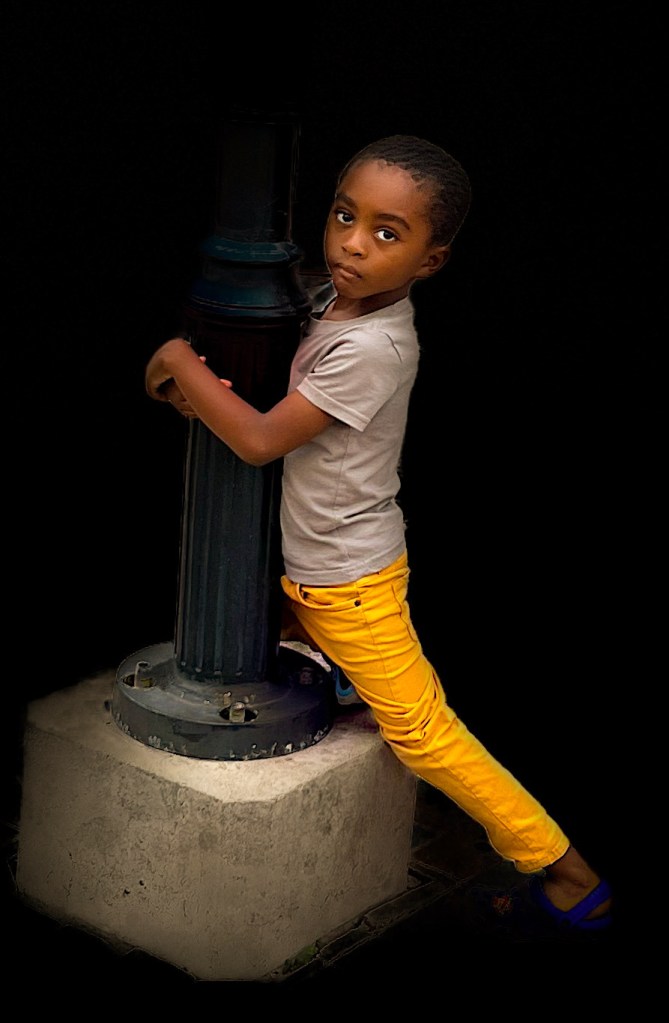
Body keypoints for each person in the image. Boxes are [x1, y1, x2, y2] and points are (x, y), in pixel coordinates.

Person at [145, 134, 612, 935]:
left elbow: (257, 439)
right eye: (343, 216)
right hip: (313, 570)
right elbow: (246, 391)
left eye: (386, 232)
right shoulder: (327, 299)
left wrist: (174, 360)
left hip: (348, 586)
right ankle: (340, 676)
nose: (353, 243)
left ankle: (568, 872)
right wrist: (188, 385)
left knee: (423, 734)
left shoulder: (374, 346)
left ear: (430, 260)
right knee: (244, 635)